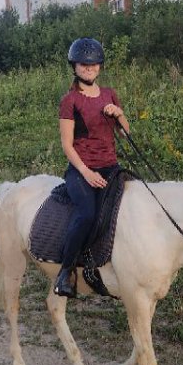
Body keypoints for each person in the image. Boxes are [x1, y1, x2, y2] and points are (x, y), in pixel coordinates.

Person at [53, 37, 130, 298]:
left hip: (111, 166)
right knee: (87, 213)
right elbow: (67, 145)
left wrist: (118, 114)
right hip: (81, 169)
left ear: (100, 66)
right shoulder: (70, 100)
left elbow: (126, 133)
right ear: (74, 67)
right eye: (83, 65)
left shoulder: (109, 94)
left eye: (93, 64)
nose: (89, 68)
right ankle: (66, 271)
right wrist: (86, 173)